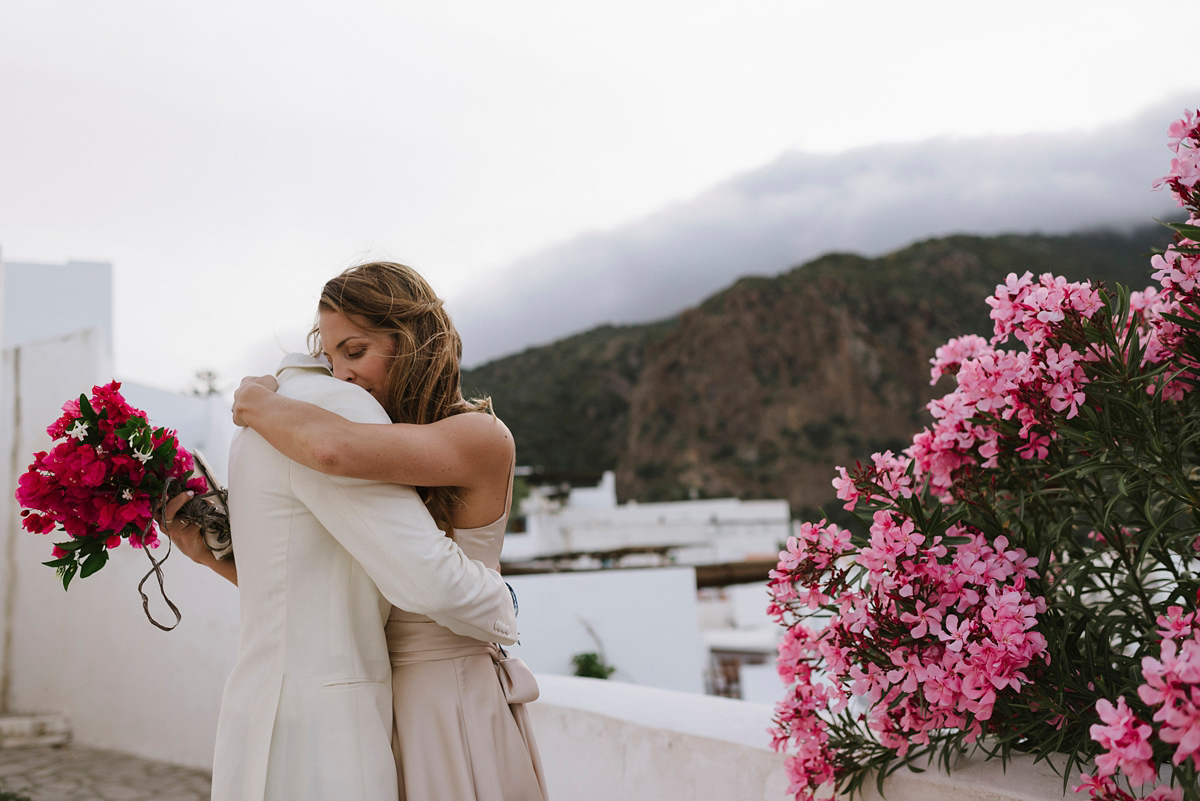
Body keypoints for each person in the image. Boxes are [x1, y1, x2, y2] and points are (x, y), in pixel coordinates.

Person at [170, 262, 548, 801]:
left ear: (415, 342)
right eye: (329, 358)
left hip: (449, 691)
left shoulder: (478, 434)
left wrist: (260, 402)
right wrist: (217, 559)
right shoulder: (376, 440)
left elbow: (333, 449)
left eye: (355, 351)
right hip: (380, 701)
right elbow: (334, 591)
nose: (342, 375)